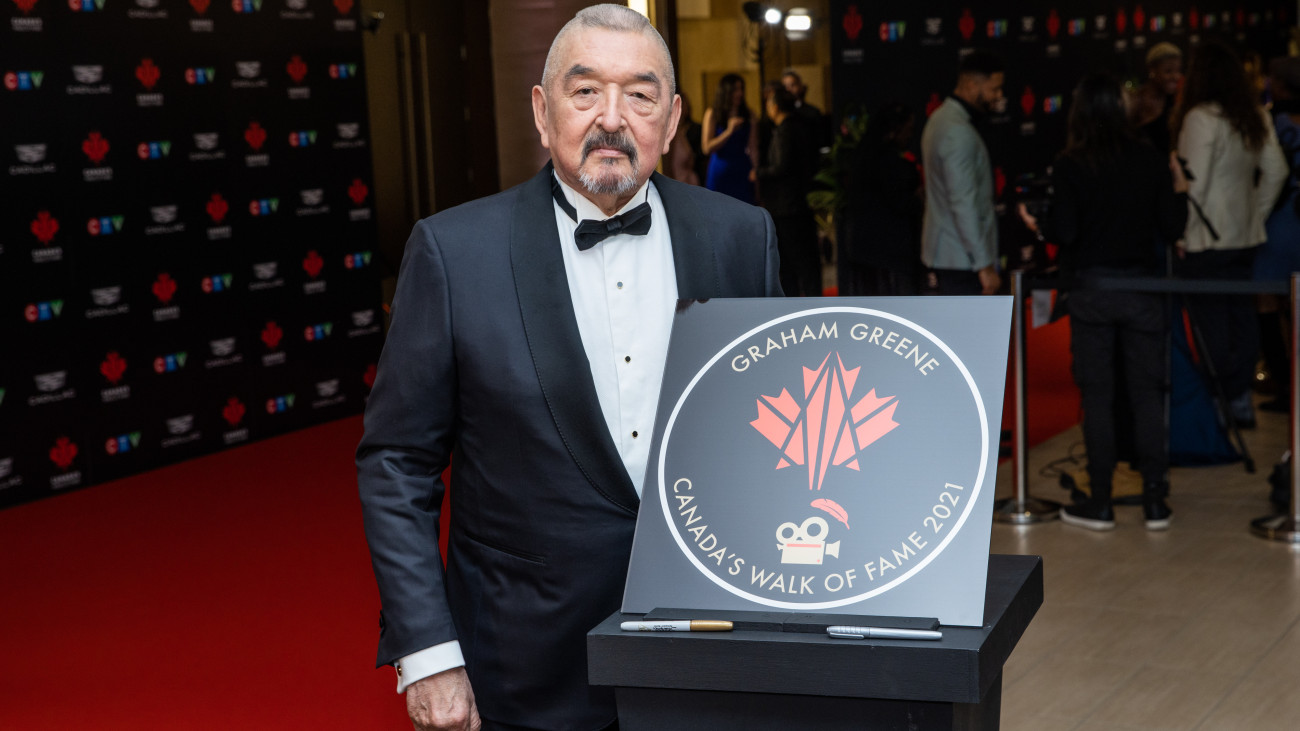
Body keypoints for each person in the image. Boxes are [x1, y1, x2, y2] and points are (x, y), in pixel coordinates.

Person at [355, 6, 783, 731]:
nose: (612, 118)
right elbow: (397, 462)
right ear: (542, 111)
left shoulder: (741, 236)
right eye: (585, 92)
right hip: (525, 666)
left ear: (673, 119)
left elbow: (774, 430)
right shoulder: (454, 253)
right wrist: (428, 648)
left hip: (713, 655)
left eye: (640, 95)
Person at [1020, 73, 1189, 531]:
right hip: (1142, 291)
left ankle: (1100, 501)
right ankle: (1156, 500)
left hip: (1093, 291)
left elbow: (1067, 232)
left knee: (1097, 397)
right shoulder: (1150, 159)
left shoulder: (1071, 163)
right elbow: (1173, 229)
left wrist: (1038, 224)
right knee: (1146, 396)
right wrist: (1179, 187)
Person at [1173, 40, 1288, 428]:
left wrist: (1184, 234)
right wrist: (1254, 213)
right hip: (1245, 236)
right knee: (1242, 315)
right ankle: (1237, 398)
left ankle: (1223, 400)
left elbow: (1194, 184)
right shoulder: (1253, 114)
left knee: (1213, 323)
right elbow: (1277, 172)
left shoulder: (1200, 118)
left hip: (1207, 239)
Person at [920, 50, 1004, 295]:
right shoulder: (958, 132)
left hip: (948, 255)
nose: (998, 97)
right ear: (970, 84)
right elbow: (963, 203)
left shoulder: (939, 119)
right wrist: (984, 265)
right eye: (994, 89)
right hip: (961, 262)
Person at [1254, 56, 1300, 412]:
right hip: (1289, 219)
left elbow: (1264, 172)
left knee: (1269, 301)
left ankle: (1285, 386)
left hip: (1278, 220)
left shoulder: (1270, 121)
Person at [840, 102, 923, 296]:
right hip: (887, 255)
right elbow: (900, 202)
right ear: (894, 130)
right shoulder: (889, 163)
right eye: (908, 129)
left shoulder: (863, 155)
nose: (910, 135)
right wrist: (918, 199)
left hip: (864, 251)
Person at [757, 86, 820, 296]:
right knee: (803, 260)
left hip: (787, 205)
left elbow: (781, 166)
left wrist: (757, 172)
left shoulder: (785, 130)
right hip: (796, 202)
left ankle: (795, 303)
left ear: (775, 106)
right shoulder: (800, 126)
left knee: (794, 261)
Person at [702, 73, 757, 203]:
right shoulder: (713, 113)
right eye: (735, 90)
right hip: (720, 170)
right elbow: (706, 148)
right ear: (726, 92)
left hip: (742, 169)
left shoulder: (749, 114)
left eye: (741, 89)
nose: (739, 93)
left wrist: (756, 171)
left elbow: (753, 147)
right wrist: (729, 131)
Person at [1128, 42, 1183, 153]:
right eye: (1168, 71)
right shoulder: (1137, 101)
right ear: (1152, 70)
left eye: (1178, 71)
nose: (1176, 77)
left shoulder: (1175, 99)